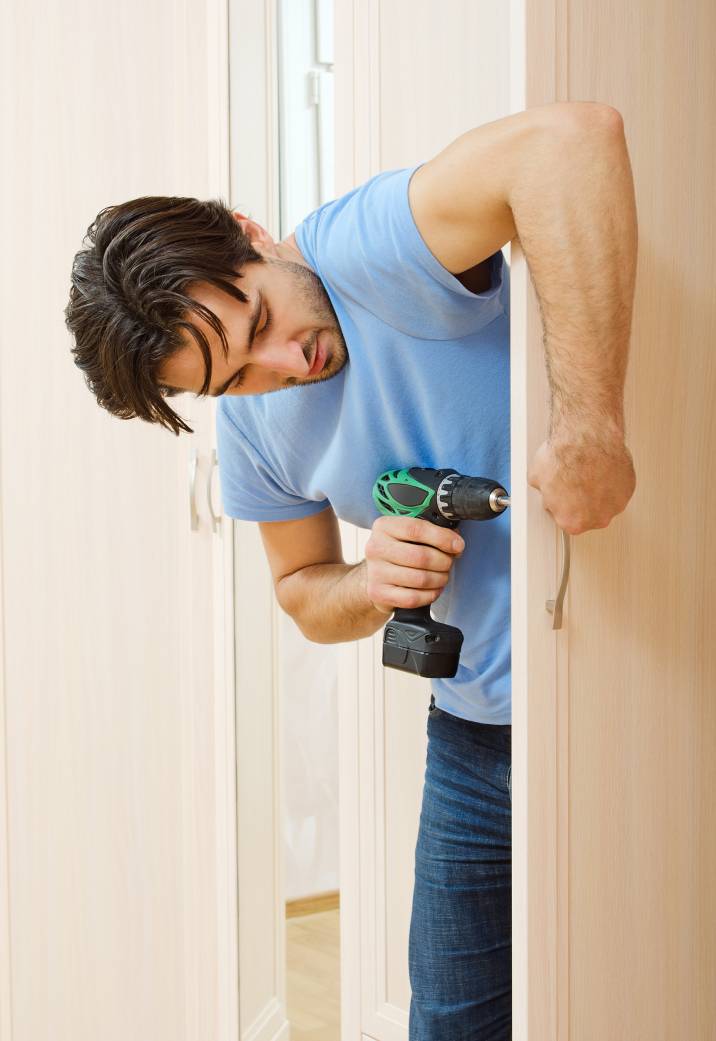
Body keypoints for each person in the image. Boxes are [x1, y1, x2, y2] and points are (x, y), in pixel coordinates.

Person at [65, 101, 637, 1040]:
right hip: (474, 733)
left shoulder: (366, 249)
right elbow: (303, 594)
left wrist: (590, 422)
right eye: (234, 376)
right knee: (451, 1022)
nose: (286, 365)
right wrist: (372, 581)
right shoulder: (252, 426)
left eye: (260, 319)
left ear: (251, 237)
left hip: (618, 691)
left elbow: (572, 143)